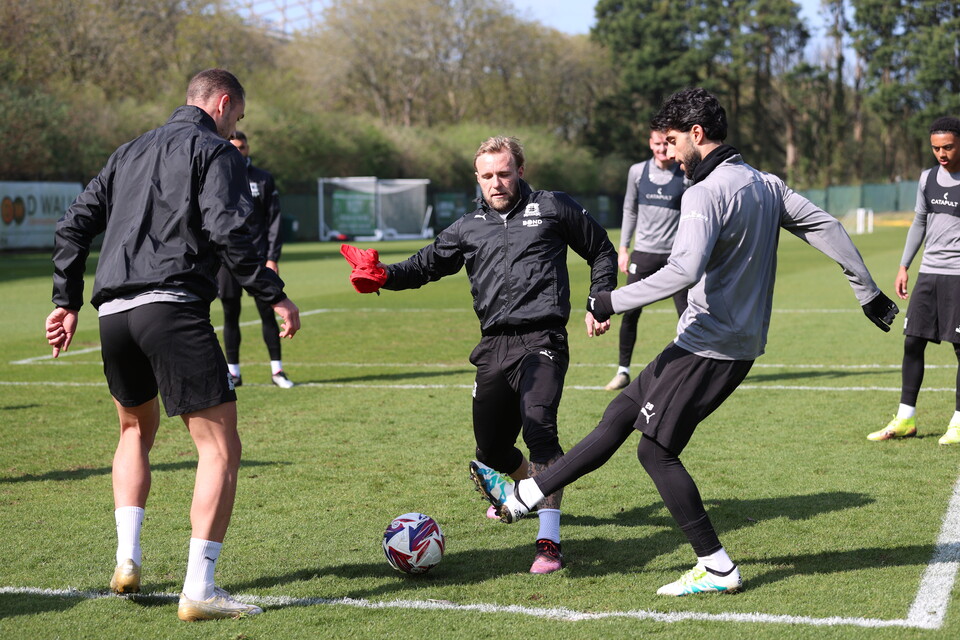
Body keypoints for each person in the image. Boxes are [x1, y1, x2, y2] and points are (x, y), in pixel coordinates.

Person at [476, 88, 898, 595]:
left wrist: (611, 301)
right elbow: (824, 224)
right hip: (714, 340)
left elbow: (683, 269)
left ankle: (717, 565)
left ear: (697, 135)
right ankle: (527, 493)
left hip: (712, 346)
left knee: (655, 454)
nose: (670, 154)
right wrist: (867, 292)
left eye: (673, 142)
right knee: (620, 413)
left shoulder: (703, 191)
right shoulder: (765, 183)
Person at [45, 68, 301, 621]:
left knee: (134, 430)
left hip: (112, 315)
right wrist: (275, 295)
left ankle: (127, 560)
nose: (238, 125)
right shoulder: (217, 151)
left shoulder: (127, 152)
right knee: (219, 448)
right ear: (224, 103)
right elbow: (229, 230)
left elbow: (71, 226)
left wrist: (65, 300)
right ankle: (200, 589)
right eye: (238, 115)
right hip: (172, 308)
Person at [341, 135, 617, 574]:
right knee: (490, 451)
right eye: (487, 176)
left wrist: (599, 298)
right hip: (493, 346)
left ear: (520, 171)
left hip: (542, 338)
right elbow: (424, 265)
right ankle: (523, 487)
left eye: (504, 173)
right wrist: (381, 275)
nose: (497, 182)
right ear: (477, 178)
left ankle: (549, 541)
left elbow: (601, 248)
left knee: (539, 425)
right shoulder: (468, 225)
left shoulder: (553, 206)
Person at [867, 116, 960, 445]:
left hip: (958, 277)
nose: (941, 154)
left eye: (947, 147)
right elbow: (919, 223)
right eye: (936, 148)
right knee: (912, 341)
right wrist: (904, 265)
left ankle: (959, 422)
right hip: (929, 274)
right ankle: (906, 418)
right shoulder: (927, 179)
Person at [605, 128, 690, 391]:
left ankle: (687, 372)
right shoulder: (637, 172)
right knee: (630, 311)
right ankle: (622, 371)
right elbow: (629, 210)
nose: (662, 149)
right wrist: (623, 248)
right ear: (649, 143)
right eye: (657, 144)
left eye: (666, 143)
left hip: (676, 257)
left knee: (687, 315)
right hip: (643, 253)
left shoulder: (685, 173)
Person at [217, 130, 294, 389]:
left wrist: (272, 258)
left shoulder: (262, 179)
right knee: (230, 314)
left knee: (269, 313)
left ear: (248, 148)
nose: (238, 151)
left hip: (258, 258)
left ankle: (277, 371)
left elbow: (274, 221)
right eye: (233, 147)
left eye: (242, 147)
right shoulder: (218, 176)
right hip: (227, 261)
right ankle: (234, 374)